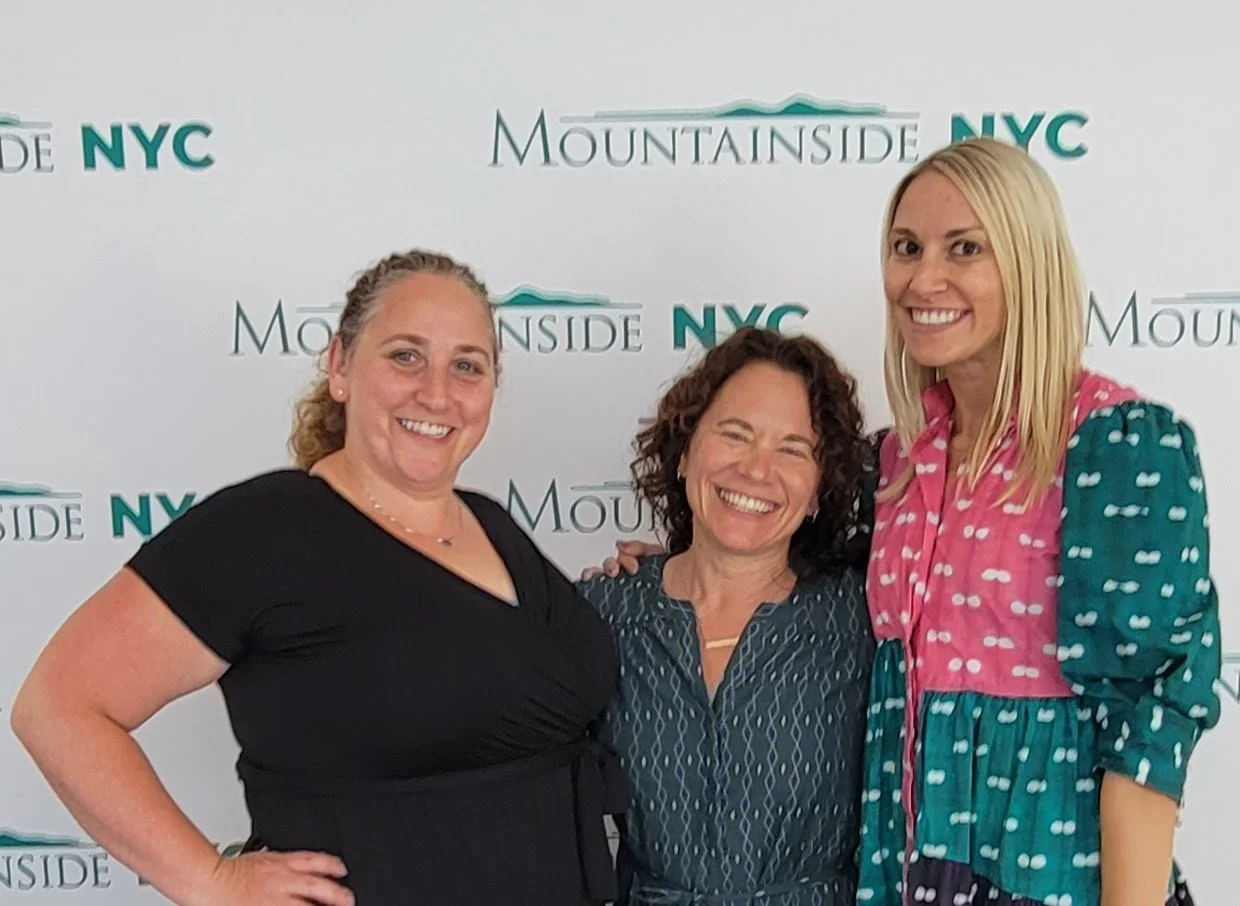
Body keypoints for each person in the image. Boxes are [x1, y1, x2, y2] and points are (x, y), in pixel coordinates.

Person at [593, 137, 1223, 906]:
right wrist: (679, 566)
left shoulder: (1115, 444)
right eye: (906, 247)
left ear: (1029, 261)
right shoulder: (894, 463)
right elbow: (776, 536)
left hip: (1051, 876)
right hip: (907, 876)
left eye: (965, 248)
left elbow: (1147, 739)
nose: (924, 278)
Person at [10, 249, 627, 906]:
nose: (437, 392)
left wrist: (652, 578)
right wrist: (208, 879)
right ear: (339, 366)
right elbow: (57, 707)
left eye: (467, 366)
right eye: (405, 356)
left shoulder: (492, 524)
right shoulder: (265, 528)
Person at [577, 326, 880, 905]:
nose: (757, 470)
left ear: (820, 488)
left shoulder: (863, 618)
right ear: (686, 451)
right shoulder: (603, 613)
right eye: (735, 435)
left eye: (793, 449)